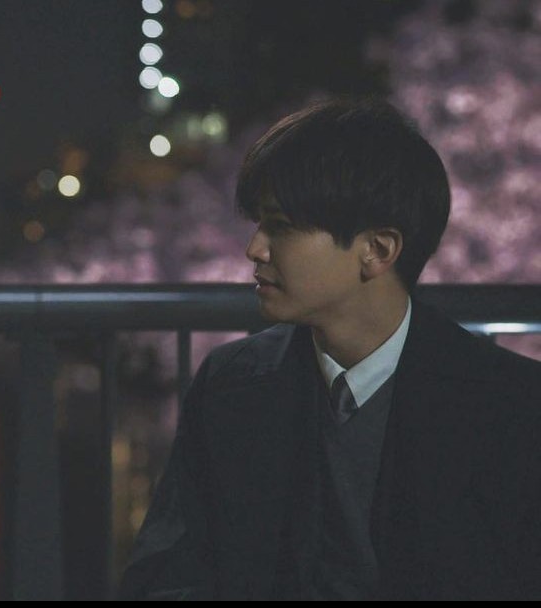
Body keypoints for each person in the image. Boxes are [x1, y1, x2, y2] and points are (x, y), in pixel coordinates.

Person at [118, 98, 541, 600]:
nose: (255, 249)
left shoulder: (509, 405)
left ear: (377, 250)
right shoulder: (231, 384)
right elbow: (166, 574)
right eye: (259, 224)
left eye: (281, 226)